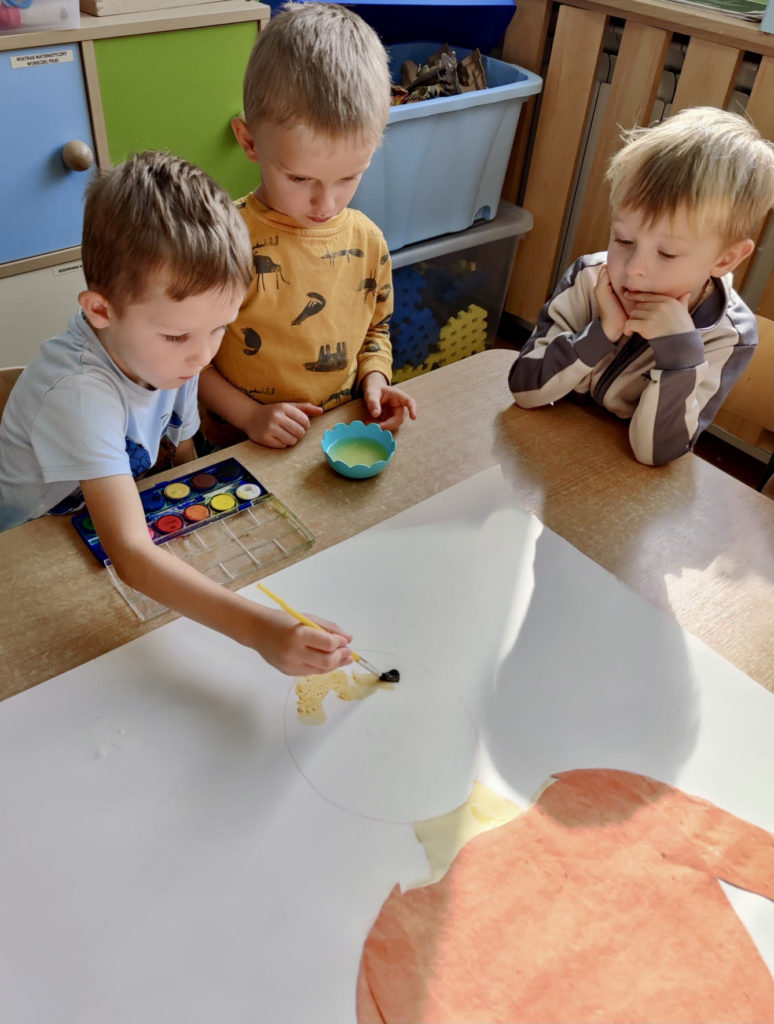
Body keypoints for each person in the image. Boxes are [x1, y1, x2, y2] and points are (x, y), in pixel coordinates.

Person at [0, 150, 354, 676]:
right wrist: (259, 630)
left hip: (98, 527)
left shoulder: (172, 355)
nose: (202, 356)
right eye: (177, 335)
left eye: (219, 328)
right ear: (100, 310)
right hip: (28, 557)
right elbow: (130, 554)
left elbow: (182, 451)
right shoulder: (78, 394)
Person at [197, 1, 417, 450]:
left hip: (333, 439)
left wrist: (375, 381)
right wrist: (249, 416)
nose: (325, 204)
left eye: (349, 177)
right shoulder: (221, 241)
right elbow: (187, 359)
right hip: (238, 448)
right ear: (249, 141)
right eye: (299, 178)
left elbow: (375, 330)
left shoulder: (368, 241)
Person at [508, 106, 774, 466]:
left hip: (627, 477)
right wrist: (601, 333)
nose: (634, 269)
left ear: (725, 259)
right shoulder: (590, 278)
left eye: (667, 253)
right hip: (549, 451)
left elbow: (656, 453)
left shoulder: (726, 335)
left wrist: (678, 353)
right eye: (623, 240)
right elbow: (525, 389)